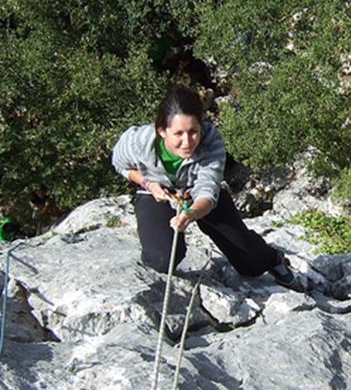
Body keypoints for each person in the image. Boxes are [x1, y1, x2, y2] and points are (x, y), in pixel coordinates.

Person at [111, 86, 297, 288]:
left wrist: (191, 213)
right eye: (178, 134)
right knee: (161, 260)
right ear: (162, 131)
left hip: (198, 196)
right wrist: (148, 183)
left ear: (201, 127)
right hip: (156, 193)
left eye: (193, 132)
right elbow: (120, 165)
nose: (187, 142)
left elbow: (208, 188)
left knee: (250, 264)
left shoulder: (211, 141)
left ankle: (272, 258)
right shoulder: (136, 142)